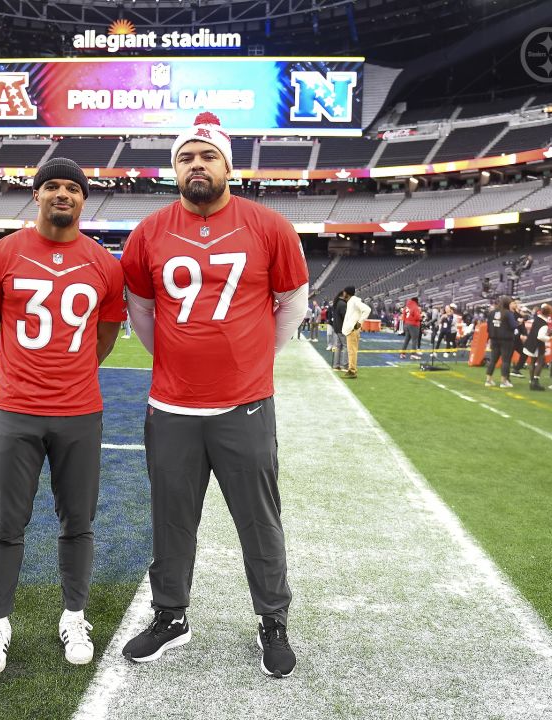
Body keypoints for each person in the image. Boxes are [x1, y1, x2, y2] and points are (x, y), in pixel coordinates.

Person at [119, 112, 307, 678]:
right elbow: (143, 313)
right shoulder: (149, 231)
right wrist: (178, 362)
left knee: (259, 520)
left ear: (228, 164)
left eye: (206, 156)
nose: (195, 165)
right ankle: (171, 616)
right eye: (185, 157)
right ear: (174, 169)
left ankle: (272, 618)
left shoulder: (269, 225)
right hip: (172, 407)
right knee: (171, 520)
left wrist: (251, 359)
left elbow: (291, 306)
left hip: (243, 405)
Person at [0, 157, 126, 677]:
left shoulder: (104, 263)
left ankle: (74, 616)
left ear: (84, 199)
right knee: (6, 525)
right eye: (52, 186)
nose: (63, 194)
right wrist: (23, 371)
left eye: (72, 188)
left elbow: (103, 337)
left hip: (80, 411)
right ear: (36, 195)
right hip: (15, 409)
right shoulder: (1, 254)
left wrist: (68, 373)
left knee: (78, 523)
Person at [484, 295, 518, 388]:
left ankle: (488, 380)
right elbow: (513, 326)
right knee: (505, 361)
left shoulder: (492, 313)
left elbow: (488, 326)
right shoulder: (508, 313)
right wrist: (518, 322)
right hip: (506, 340)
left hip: (494, 339)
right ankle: (503, 382)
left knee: (493, 360)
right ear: (507, 303)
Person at [522, 303, 552, 391]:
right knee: (540, 362)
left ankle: (531, 381)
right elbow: (540, 336)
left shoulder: (537, 318)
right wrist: (550, 338)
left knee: (532, 362)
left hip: (530, 342)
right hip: (538, 345)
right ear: (548, 314)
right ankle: (535, 381)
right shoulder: (544, 324)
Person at [341, 285, 370, 380]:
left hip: (352, 330)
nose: (343, 293)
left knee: (351, 351)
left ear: (347, 293)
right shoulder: (351, 301)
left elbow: (367, 309)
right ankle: (352, 369)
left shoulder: (354, 301)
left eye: (344, 292)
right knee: (352, 351)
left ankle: (352, 371)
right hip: (351, 329)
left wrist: (359, 322)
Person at [330, 289, 348, 371]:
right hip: (342, 329)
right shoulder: (343, 304)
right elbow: (346, 318)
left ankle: (335, 365)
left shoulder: (336, 303)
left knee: (338, 347)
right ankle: (344, 365)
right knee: (345, 346)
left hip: (336, 328)